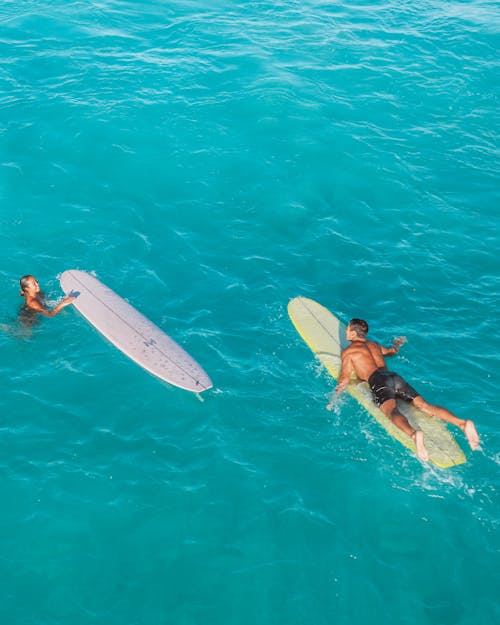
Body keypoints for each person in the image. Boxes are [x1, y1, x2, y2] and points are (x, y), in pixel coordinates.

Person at [328, 318, 480, 462]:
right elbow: (391, 351)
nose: (346, 332)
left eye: (347, 330)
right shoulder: (374, 345)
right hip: (393, 376)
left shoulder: (349, 352)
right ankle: (462, 423)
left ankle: (414, 434)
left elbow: (344, 379)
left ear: (353, 334)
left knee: (391, 411)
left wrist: (334, 399)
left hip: (378, 380)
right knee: (424, 406)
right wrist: (398, 344)